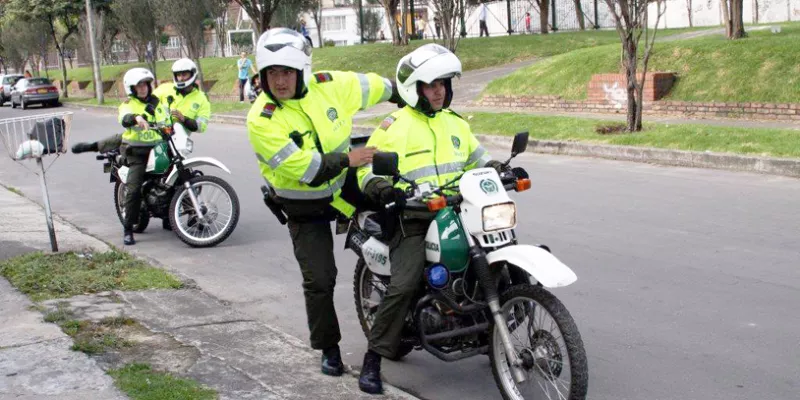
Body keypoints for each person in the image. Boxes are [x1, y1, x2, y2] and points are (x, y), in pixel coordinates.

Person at [355, 43, 520, 394]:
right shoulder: (395, 125)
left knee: (500, 255)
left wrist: (500, 170)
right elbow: (365, 167)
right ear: (414, 89)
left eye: (443, 84)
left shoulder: (455, 123)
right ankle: (373, 358)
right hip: (412, 218)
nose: (439, 91)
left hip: (457, 210)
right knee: (403, 285)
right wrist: (382, 188)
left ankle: (486, 321)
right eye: (432, 85)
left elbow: (479, 161)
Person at [246, 28, 402, 379]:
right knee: (320, 279)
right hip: (305, 204)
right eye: (272, 73)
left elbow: (373, 86)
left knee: (397, 203)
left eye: (287, 72)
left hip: (342, 182)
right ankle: (329, 349)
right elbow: (308, 169)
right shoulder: (262, 118)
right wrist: (351, 159)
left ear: (302, 71)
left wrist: (404, 93)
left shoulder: (328, 85)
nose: (280, 81)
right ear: (262, 75)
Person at [71, 58, 212, 231]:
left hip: (173, 141)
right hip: (140, 143)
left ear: (192, 75)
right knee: (125, 150)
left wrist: (183, 119)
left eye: (185, 74)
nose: (182, 78)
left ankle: (185, 214)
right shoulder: (157, 93)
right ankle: (92, 146)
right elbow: (133, 113)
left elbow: (201, 125)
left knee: (184, 175)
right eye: (179, 75)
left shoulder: (201, 99)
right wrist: (138, 118)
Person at [115, 68, 169, 245]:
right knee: (134, 188)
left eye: (145, 84)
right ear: (132, 88)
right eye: (139, 85)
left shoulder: (157, 103)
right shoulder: (127, 104)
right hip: (137, 152)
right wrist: (136, 118)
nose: (143, 88)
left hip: (158, 148)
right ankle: (128, 229)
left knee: (175, 179)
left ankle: (169, 218)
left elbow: (166, 120)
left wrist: (172, 125)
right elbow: (125, 118)